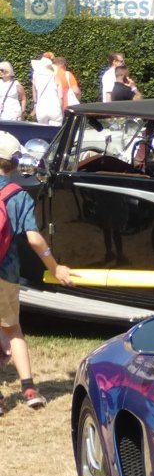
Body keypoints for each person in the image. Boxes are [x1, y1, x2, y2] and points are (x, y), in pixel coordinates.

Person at [0, 131, 73, 413]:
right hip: (6, 273)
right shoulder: (18, 196)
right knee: (14, 330)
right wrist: (55, 267)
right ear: (16, 163)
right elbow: (34, 238)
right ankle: (29, 389)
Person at [31, 55, 61, 124]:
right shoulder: (55, 77)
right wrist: (61, 108)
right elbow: (61, 96)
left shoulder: (36, 76)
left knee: (42, 129)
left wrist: (35, 104)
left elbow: (34, 94)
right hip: (55, 107)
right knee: (56, 129)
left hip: (41, 107)